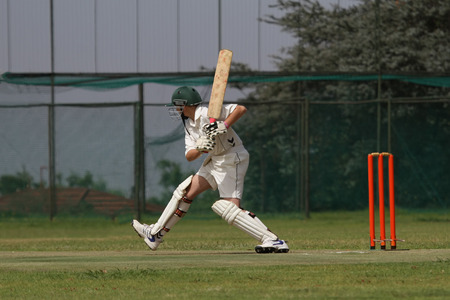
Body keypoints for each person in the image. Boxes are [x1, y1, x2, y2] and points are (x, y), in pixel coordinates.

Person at [132, 86, 289, 253]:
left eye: (177, 105)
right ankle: (156, 234)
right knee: (185, 192)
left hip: (232, 158)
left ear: (186, 104)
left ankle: (272, 240)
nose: (175, 109)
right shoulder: (189, 125)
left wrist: (224, 125)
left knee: (228, 208)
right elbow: (189, 155)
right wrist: (200, 148)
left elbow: (240, 109)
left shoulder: (209, 112)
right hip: (214, 160)